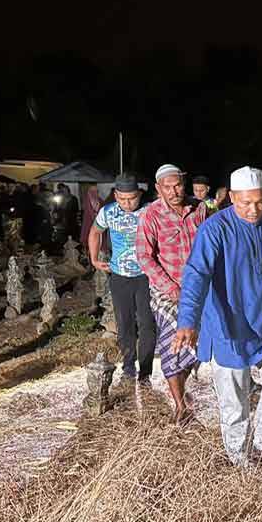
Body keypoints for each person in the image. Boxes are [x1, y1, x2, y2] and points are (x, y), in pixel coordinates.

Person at [174, 166, 262, 466]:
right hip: (228, 324)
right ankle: (239, 459)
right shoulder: (214, 229)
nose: (254, 209)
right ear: (231, 197)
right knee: (235, 401)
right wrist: (188, 320)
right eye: (246, 203)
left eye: (260, 201)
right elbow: (196, 274)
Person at [136, 164, 208, 423]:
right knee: (172, 344)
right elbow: (144, 257)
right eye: (167, 187)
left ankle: (183, 387)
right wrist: (171, 288)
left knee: (195, 344)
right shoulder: (150, 215)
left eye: (177, 185)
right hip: (168, 292)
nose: (174, 191)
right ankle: (180, 405)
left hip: (200, 290)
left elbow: (211, 244)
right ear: (158, 188)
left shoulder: (199, 209)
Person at [90, 174, 156, 387]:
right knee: (124, 323)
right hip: (119, 276)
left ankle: (145, 372)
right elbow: (95, 232)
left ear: (139, 195)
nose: (127, 203)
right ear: (116, 195)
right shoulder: (108, 212)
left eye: (132, 198)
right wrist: (94, 259)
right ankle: (128, 367)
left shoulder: (150, 210)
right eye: (122, 199)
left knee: (147, 325)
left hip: (146, 276)